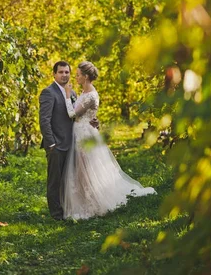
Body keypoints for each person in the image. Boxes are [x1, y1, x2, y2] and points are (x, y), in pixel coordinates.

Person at [61, 61, 156, 220]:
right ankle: (84, 199)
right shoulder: (84, 93)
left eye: (77, 75)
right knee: (82, 169)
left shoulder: (90, 94)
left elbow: (72, 114)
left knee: (86, 169)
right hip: (82, 132)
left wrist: (66, 94)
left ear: (85, 77)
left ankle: (93, 202)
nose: (75, 77)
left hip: (84, 134)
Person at [38, 61, 79, 220]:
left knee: (68, 181)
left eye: (67, 72)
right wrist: (51, 143)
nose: (64, 75)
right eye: (61, 72)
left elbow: (75, 116)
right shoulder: (48, 92)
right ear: (54, 74)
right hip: (56, 145)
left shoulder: (73, 93)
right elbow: (44, 120)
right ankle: (56, 215)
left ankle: (67, 210)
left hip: (71, 143)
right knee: (55, 181)